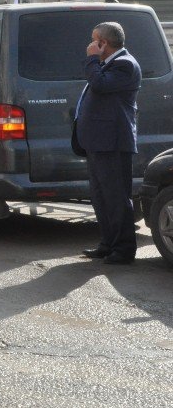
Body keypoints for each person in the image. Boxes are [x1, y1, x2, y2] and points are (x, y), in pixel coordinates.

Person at [75, 21, 141, 264]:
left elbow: (100, 85)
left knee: (116, 196)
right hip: (98, 142)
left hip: (112, 142)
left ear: (104, 43)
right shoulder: (107, 64)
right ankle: (108, 243)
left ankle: (123, 249)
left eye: (94, 40)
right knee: (100, 196)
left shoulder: (124, 64)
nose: (90, 45)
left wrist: (92, 59)